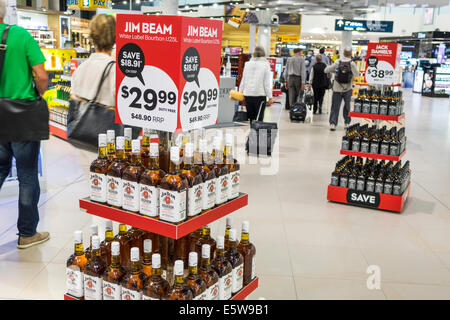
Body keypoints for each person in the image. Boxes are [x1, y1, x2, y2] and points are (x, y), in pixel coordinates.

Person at [0, 0, 50, 249]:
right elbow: (41, 75)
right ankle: (27, 234)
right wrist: (39, 93)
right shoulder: (20, 35)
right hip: (22, 116)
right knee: (28, 174)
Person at [71, 14, 116, 108]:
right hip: (106, 121)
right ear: (114, 37)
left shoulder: (80, 68)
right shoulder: (114, 70)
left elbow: (74, 98)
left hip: (82, 121)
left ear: (92, 37)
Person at [325, 47, 359, 131]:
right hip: (348, 88)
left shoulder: (337, 62)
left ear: (343, 53)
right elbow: (357, 75)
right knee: (347, 106)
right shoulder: (352, 64)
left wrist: (335, 71)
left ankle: (333, 123)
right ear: (351, 54)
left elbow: (326, 70)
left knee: (335, 107)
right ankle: (347, 123)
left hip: (337, 88)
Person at [238, 46, 274, 123]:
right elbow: (266, 83)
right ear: (263, 54)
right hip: (259, 95)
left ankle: (252, 133)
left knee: (251, 118)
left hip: (248, 94)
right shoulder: (266, 65)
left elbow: (243, 80)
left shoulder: (247, 64)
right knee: (259, 118)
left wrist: (240, 92)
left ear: (253, 54)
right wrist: (270, 97)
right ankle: (257, 134)